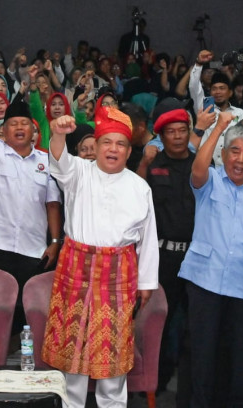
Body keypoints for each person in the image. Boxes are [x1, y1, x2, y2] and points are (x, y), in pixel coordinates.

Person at [44, 105, 158, 408]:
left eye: (120, 144)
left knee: (112, 360)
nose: (113, 149)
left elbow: (147, 241)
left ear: (129, 150)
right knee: (74, 358)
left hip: (118, 277)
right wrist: (57, 132)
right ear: (96, 145)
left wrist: (147, 283)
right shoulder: (79, 172)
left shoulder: (140, 187)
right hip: (76, 271)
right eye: (106, 142)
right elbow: (57, 159)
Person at [179, 113, 243, 408]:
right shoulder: (209, 182)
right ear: (223, 154)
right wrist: (219, 127)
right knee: (202, 353)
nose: (240, 159)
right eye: (234, 151)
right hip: (204, 281)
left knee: (240, 358)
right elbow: (197, 167)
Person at [0, 71, 62, 334]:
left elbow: (52, 204)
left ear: (34, 130)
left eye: (25, 124)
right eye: (14, 124)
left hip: (33, 250)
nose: (20, 128)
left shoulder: (46, 162)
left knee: (26, 316)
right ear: (4, 130)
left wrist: (55, 242)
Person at [140, 108, 195, 407]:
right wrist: (144, 162)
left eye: (182, 130)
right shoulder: (153, 164)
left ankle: (191, 388)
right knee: (158, 324)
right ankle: (153, 383)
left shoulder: (201, 165)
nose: (177, 136)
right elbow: (135, 195)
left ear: (189, 134)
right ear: (161, 137)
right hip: (162, 259)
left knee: (195, 326)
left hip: (196, 259)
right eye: (171, 132)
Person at [189, 50, 243, 167]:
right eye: (214, 89)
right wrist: (199, 64)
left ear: (230, 92)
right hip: (207, 167)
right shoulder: (205, 109)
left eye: (222, 88)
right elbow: (194, 88)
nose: (218, 92)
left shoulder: (240, 113)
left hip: (232, 167)